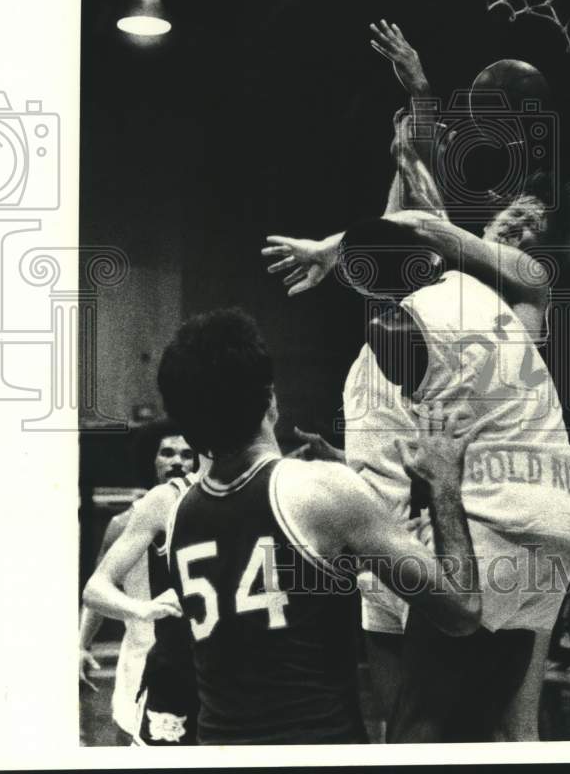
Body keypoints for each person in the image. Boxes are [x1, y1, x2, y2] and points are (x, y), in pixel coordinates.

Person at [262, 26, 570, 741]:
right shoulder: (449, 301)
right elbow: (416, 223)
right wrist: (418, 103)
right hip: (434, 498)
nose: (519, 232)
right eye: (514, 223)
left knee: (439, 727)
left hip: (479, 513)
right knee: (451, 721)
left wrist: (334, 241)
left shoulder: (511, 297)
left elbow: (419, 229)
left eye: (531, 229)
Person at [159, 307, 483, 745]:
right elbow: (462, 610)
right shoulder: (323, 490)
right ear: (270, 397)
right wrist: (444, 484)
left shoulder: (178, 513)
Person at [82, 431, 202, 745]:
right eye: (167, 453)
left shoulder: (207, 517)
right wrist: (82, 644)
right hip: (139, 660)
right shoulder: (123, 523)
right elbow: (97, 590)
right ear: (151, 459)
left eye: (186, 454)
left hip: (192, 666)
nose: (177, 461)